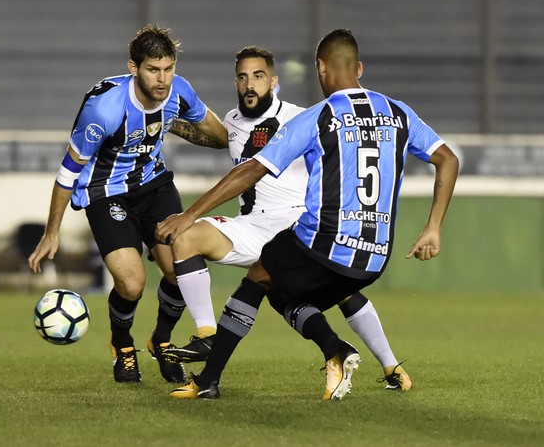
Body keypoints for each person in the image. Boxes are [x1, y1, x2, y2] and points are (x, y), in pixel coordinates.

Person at [156, 28, 459, 400]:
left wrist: (188, 215)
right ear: (359, 69)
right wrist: (433, 228)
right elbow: (448, 159)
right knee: (286, 292)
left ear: (320, 68)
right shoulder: (399, 113)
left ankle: (216, 378)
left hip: (325, 241)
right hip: (375, 257)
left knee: (260, 277)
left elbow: (250, 170)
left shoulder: (318, 117)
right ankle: (372, 359)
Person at [28, 24, 228, 385]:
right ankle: (122, 344)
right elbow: (67, 172)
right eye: (153, 69)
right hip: (106, 194)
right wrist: (51, 231)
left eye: (168, 69)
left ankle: (161, 341)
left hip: (154, 186)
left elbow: (219, 136)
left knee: (180, 272)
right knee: (133, 284)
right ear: (134, 67)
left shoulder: (179, 93)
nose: (162, 78)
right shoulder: (104, 109)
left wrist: (248, 140)